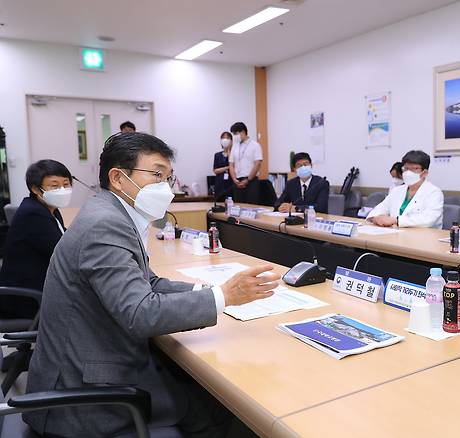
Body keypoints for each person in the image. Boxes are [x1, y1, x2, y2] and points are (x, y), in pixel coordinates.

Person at [24, 132, 280, 437]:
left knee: (193, 382)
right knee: (220, 408)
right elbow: (140, 313)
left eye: (168, 177)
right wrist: (223, 296)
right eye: (157, 175)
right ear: (118, 178)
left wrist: (210, 292)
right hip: (83, 396)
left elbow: (150, 282)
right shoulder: (105, 224)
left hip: (94, 362)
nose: (166, 187)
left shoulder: (109, 211)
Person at [0, 160, 72, 319]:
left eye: (66, 184)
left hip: (42, 286)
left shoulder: (48, 208)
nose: (62, 190)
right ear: (35, 189)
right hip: (27, 299)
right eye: (54, 186)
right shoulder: (33, 214)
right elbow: (64, 253)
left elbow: (64, 237)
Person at [366, 150, 443, 228]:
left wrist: (396, 221)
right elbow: (380, 208)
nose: (408, 172)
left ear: (424, 173)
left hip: (424, 234)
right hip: (396, 233)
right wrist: (376, 218)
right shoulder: (397, 190)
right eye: (406, 168)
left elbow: (429, 219)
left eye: (414, 168)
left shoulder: (434, 192)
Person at [228, 122, 262, 204]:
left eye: (235, 133)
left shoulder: (255, 145)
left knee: (251, 206)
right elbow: (231, 165)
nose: (234, 136)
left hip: (251, 181)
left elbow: (257, 163)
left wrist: (248, 179)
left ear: (243, 132)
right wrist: (234, 179)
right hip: (237, 182)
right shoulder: (235, 146)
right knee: (238, 206)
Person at [213, 131, 234, 201]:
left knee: (231, 203)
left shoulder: (234, 154)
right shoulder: (217, 155)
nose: (225, 140)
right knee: (219, 203)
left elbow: (233, 165)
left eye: (227, 138)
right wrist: (227, 167)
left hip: (231, 183)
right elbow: (215, 170)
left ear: (231, 141)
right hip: (220, 183)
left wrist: (229, 150)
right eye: (223, 138)